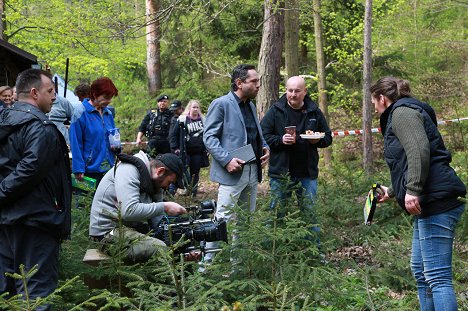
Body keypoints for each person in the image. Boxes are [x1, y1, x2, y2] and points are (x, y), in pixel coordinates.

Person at [370, 77, 466, 311]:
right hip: (430, 200)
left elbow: (419, 150)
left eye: (374, 102)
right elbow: (408, 161)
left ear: (382, 98)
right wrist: (393, 191)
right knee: (422, 272)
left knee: (437, 277)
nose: (374, 108)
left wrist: (412, 190)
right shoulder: (404, 113)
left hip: (437, 202)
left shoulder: (402, 113)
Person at [0, 69, 71, 311]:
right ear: (33, 93)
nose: (54, 97)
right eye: (50, 91)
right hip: (35, 223)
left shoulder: (4, 121)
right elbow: (30, 169)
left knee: (8, 292)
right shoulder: (40, 128)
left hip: (7, 221)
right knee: (36, 295)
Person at [203, 64, 270, 262]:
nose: (258, 85)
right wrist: (226, 160)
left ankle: (238, 266)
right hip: (233, 172)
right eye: (254, 81)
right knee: (221, 219)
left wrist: (266, 147)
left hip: (252, 171)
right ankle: (205, 268)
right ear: (239, 83)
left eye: (258, 81)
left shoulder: (250, 104)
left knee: (245, 221)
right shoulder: (221, 103)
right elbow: (209, 138)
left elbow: (254, 132)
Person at [260, 76, 332, 242]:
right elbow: (263, 136)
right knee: (277, 214)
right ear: (286, 91)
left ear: (305, 92)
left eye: (297, 91)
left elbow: (327, 137)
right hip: (281, 174)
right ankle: (273, 252)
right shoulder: (276, 110)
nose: (293, 94)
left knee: (309, 214)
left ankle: (314, 253)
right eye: (290, 90)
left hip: (306, 173)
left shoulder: (314, 111)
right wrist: (280, 140)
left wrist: (317, 140)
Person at [89, 152, 187, 262]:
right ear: (160, 171)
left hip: (129, 229)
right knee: (160, 249)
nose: (167, 187)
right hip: (107, 234)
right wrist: (164, 206)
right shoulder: (128, 170)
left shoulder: (153, 182)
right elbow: (129, 211)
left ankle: (182, 277)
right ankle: (164, 279)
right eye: (169, 182)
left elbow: (157, 223)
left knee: (175, 245)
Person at [69, 77, 119, 186]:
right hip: (89, 169)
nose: (109, 101)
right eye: (106, 97)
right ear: (95, 94)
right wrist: (78, 167)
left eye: (110, 98)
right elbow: (75, 141)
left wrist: (116, 148)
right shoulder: (80, 112)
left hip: (108, 167)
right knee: (86, 202)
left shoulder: (108, 114)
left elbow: (113, 135)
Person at [171, 100, 210, 197]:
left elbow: (209, 135)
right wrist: (175, 148)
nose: (196, 109)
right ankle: (185, 187)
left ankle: (193, 193)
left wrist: (208, 148)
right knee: (183, 170)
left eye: (197, 107)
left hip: (198, 152)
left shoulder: (203, 120)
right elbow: (174, 135)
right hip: (185, 151)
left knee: (195, 173)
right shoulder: (183, 119)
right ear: (189, 108)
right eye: (194, 107)